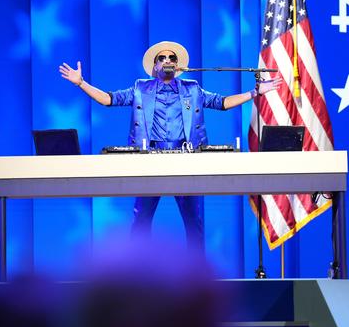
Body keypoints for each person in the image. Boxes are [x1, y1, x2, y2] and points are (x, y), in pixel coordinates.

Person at [60, 41, 280, 248]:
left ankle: (196, 274)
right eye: (162, 57)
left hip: (186, 159)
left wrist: (255, 92)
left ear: (177, 65)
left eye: (171, 57)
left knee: (193, 219)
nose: (167, 60)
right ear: (155, 66)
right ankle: (135, 272)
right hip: (149, 159)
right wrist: (81, 83)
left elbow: (222, 103)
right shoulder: (140, 88)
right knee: (142, 218)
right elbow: (108, 99)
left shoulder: (192, 89)